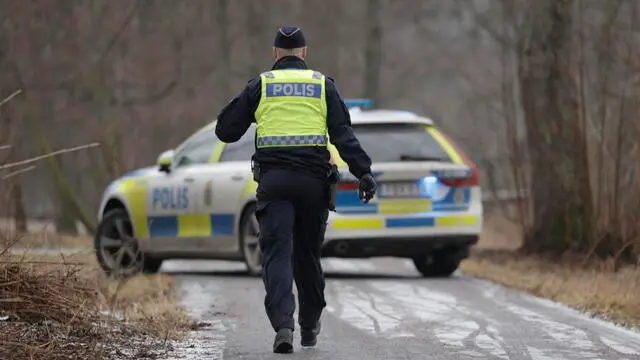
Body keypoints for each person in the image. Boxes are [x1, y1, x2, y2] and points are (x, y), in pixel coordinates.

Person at [215, 25, 377, 354]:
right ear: (304, 53)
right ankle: (309, 326)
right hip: (313, 185)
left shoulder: (261, 85)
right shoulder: (322, 85)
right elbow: (343, 135)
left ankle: (284, 325)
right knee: (307, 256)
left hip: (274, 183)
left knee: (276, 254)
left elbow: (226, 132)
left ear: (275, 53)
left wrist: (244, 103)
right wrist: (364, 172)